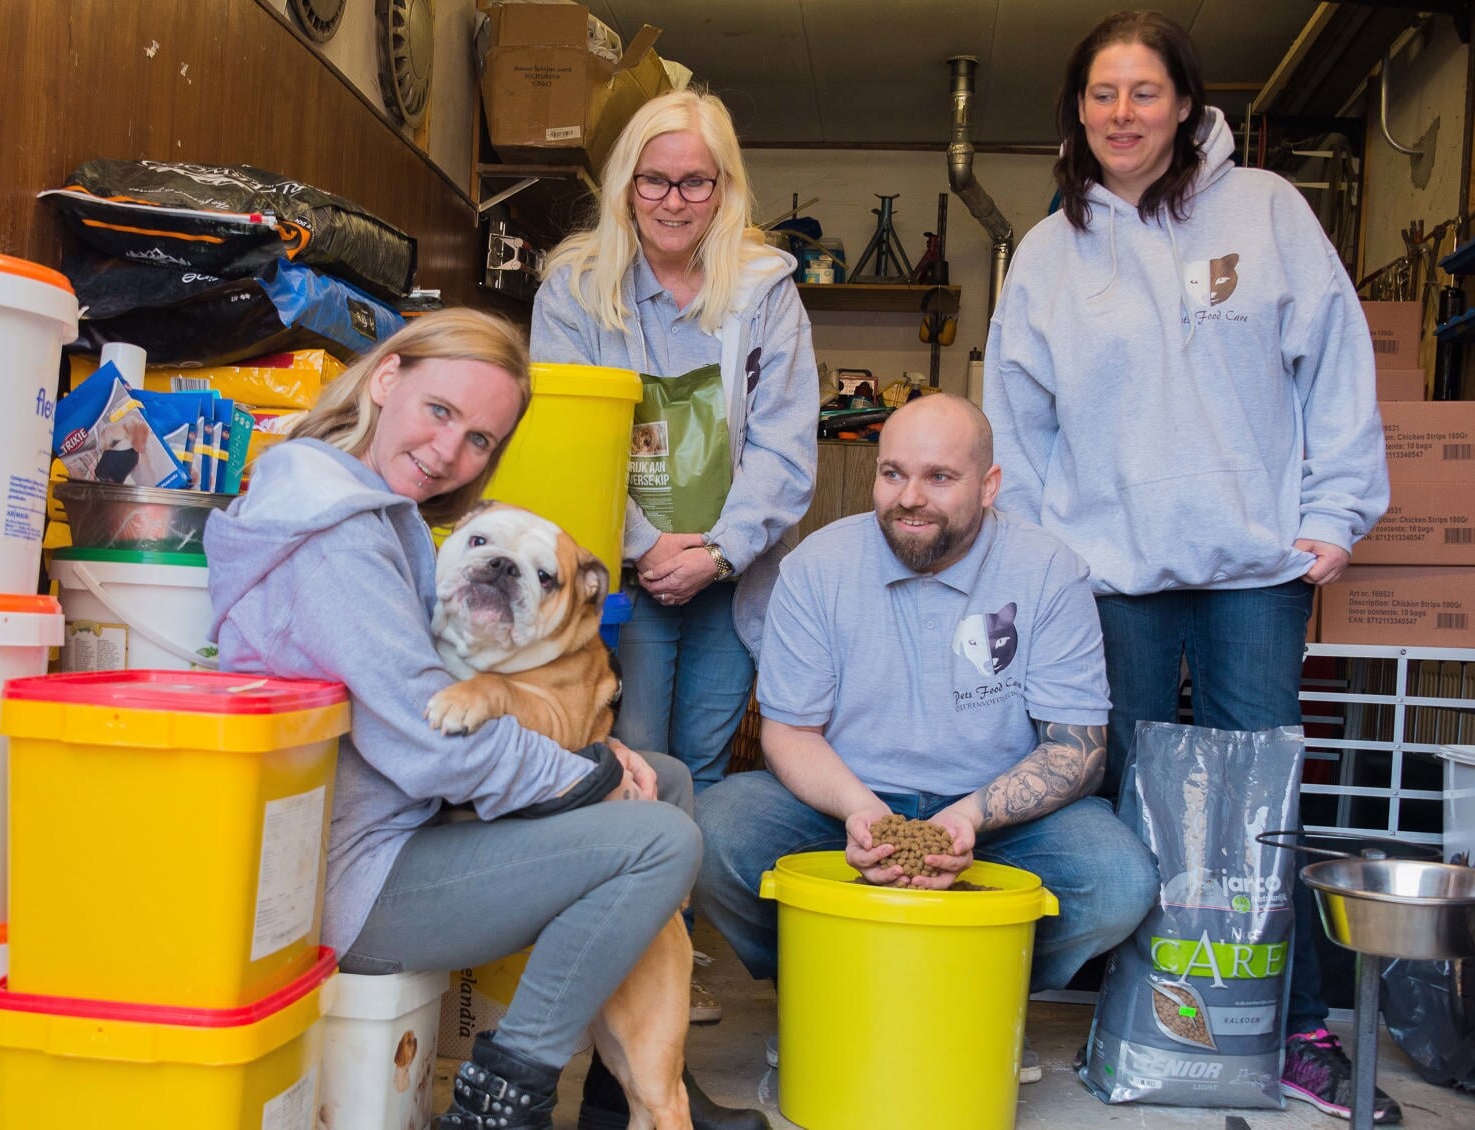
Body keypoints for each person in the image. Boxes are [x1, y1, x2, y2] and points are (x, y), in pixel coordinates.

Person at [204, 309, 761, 1130]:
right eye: (440, 412)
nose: (449, 452)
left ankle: (637, 1087)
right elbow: (434, 750)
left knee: (666, 780)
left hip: (391, 830)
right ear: (387, 378)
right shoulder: (336, 541)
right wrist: (593, 778)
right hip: (344, 884)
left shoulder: (366, 507)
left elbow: (429, 710)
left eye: (479, 441)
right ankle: (507, 1090)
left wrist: (598, 759)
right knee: (660, 837)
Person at [983, 11, 1392, 1121]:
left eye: (1145, 92)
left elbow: (1335, 362)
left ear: (1184, 103)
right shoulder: (1050, 251)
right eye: (1104, 93)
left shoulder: (1266, 212)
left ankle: (1295, 1021)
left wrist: (1336, 512)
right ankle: (1134, 1004)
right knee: (1109, 792)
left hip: (1252, 566)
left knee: (1265, 801)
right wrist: (1039, 559)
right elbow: (1015, 428)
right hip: (1106, 573)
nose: (1123, 113)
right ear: (1078, 109)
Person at [692, 393, 1157, 1081]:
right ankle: (826, 994)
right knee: (709, 833)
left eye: (939, 477)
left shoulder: (1048, 572)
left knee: (1118, 878)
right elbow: (790, 733)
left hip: (996, 815)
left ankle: (986, 995)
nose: (910, 498)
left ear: (990, 485)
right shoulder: (818, 568)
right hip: (843, 805)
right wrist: (862, 812)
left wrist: (967, 818)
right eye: (892, 473)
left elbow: (1076, 749)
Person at [531, 89, 819, 796]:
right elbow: (567, 446)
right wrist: (647, 547)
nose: (673, 201)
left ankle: (696, 906)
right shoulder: (574, 289)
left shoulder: (767, 291)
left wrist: (718, 553)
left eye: (695, 181)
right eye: (653, 179)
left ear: (724, 190)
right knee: (640, 763)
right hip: (627, 572)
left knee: (710, 766)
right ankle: (653, 905)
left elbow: (785, 445)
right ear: (627, 184)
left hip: (733, 570)